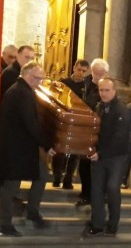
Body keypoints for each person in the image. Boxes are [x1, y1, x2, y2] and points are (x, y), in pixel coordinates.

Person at [0, 61, 56, 237]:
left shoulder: (21, 90)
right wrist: (47, 144)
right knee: (10, 186)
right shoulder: (21, 92)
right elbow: (31, 123)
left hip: (21, 147)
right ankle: (4, 224)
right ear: (28, 75)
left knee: (42, 175)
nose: (40, 83)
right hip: (16, 148)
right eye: (38, 79)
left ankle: (32, 211)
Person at [82, 78, 130, 237]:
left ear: (114, 91)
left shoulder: (122, 110)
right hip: (99, 156)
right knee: (96, 190)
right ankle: (97, 224)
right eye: (101, 90)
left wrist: (100, 153)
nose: (103, 93)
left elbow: (119, 137)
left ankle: (113, 225)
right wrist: (91, 148)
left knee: (112, 187)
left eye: (106, 90)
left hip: (117, 156)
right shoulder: (98, 106)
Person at [51, 59, 90, 189]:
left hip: (78, 122)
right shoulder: (64, 83)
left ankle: (68, 178)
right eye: (79, 70)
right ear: (74, 68)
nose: (81, 73)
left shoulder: (86, 86)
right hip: (64, 120)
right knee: (60, 150)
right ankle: (57, 176)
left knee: (75, 152)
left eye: (84, 71)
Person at [76, 58, 109, 206]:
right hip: (85, 128)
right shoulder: (85, 82)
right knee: (84, 164)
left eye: (100, 74)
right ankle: (85, 193)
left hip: (100, 132)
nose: (97, 77)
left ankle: (97, 194)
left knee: (98, 166)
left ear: (106, 73)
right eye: (95, 73)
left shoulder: (108, 87)